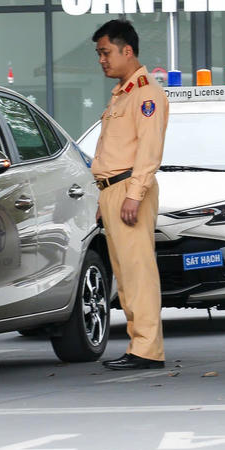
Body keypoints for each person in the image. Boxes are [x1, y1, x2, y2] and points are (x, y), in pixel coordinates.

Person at [90, 18, 170, 371]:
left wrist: (134, 195)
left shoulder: (146, 93)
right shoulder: (123, 92)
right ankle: (140, 345)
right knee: (125, 275)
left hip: (129, 187)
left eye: (106, 52)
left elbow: (149, 150)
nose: (102, 60)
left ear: (127, 51)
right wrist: (104, 198)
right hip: (114, 190)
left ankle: (147, 349)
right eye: (99, 54)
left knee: (138, 273)